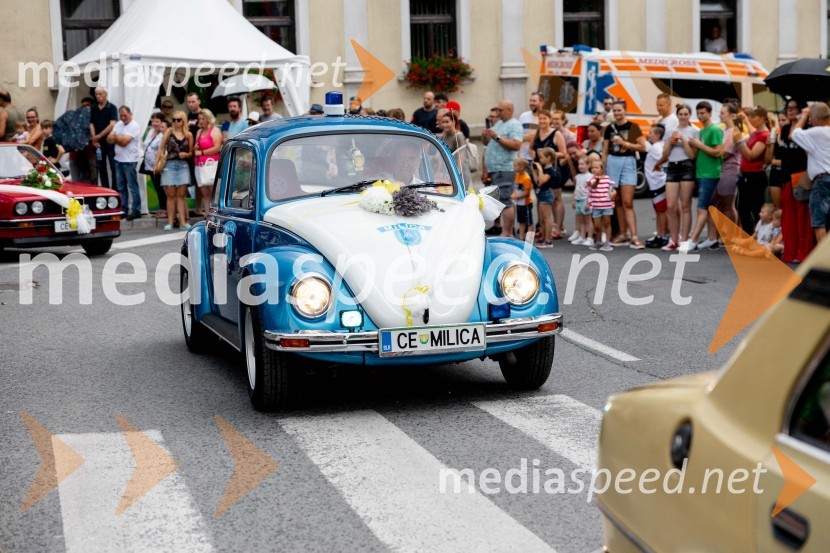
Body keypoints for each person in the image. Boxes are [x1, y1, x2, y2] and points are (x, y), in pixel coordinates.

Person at [602, 99, 646, 248]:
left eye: (619, 110)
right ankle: (622, 233)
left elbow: (642, 147)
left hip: (628, 161)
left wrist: (625, 143)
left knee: (628, 202)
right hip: (612, 162)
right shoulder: (609, 128)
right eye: (614, 110)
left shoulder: (633, 127)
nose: (617, 113)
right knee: (618, 201)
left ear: (625, 110)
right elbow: (605, 150)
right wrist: (603, 168)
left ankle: (634, 235)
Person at [654, 104, 698, 251]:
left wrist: (684, 140)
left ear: (690, 115)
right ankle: (674, 239)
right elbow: (665, 154)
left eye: (686, 114)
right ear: (677, 115)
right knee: (671, 206)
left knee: (685, 206)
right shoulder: (670, 130)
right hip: (672, 166)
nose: (683, 117)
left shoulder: (694, 130)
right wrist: (671, 143)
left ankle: (684, 240)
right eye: (681, 114)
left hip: (687, 166)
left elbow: (692, 155)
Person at [777, 99, 814, 262]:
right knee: (788, 217)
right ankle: (790, 252)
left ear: (801, 110)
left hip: (802, 177)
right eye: (788, 108)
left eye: (794, 108)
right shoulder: (784, 129)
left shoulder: (807, 129)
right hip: (786, 177)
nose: (790, 111)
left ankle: (803, 252)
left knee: (803, 217)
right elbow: (781, 154)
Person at [684, 101, 723, 251]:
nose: (700, 116)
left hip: (710, 173)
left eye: (703, 113)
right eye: (698, 113)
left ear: (710, 113)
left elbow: (718, 152)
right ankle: (712, 239)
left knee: (701, 208)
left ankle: (693, 240)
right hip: (701, 172)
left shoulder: (715, 129)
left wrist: (700, 145)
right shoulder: (702, 131)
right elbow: (696, 153)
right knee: (709, 207)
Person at [482, 99, 523, 238]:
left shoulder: (514, 125)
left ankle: (507, 232)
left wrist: (497, 137)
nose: (498, 112)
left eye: (501, 110)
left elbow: (516, 145)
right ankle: (502, 229)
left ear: (510, 110)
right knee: (498, 201)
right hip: (494, 169)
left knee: (506, 201)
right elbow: (487, 143)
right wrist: (486, 136)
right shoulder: (499, 123)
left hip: (505, 167)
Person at [792, 102, 830, 242]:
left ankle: (825, 255)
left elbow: (795, 134)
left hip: (822, 181)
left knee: (819, 222)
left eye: (811, 118)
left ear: (816, 119)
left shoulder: (817, 132)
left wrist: (803, 116)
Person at [734, 106, 770, 235]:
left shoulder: (764, 135)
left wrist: (740, 142)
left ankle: (755, 236)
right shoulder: (756, 133)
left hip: (755, 176)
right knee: (742, 208)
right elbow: (751, 129)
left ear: (761, 118)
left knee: (754, 209)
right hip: (746, 175)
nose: (750, 119)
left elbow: (751, 155)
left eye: (753, 117)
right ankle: (748, 235)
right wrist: (743, 120)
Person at [156, 110, 193, 230]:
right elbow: (161, 148)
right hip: (169, 164)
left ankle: (182, 222)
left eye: (178, 120)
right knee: (171, 195)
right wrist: (156, 164)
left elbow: (191, 152)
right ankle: (171, 222)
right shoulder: (168, 131)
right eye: (174, 120)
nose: (176, 122)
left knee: (181, 196)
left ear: (183, 121)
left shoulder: (188, 134)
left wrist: (186, 154)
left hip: (183, 165)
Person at [107, 105, 142, 220]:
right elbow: (108, 139)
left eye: (125, 115)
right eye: (121, 116)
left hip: (130, 160)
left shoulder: (134, 125)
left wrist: (116, 137)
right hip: (118, 159)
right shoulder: (119, 124)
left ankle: (136, 210)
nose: (123, 118)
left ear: (130, 114)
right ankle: (124, 209)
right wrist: (119, 138)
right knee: (121, 187)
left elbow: (124, 142)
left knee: (132, 186)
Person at [644, 124, 670, 248]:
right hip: (654, 183)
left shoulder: (656, 147)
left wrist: (658, 164)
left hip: (658, 183)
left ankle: (663, 236)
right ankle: (659, 234)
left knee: (661, 211)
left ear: (657, 135)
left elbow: (665, 158)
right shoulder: (657, 146)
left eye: (650, 132)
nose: (648, 134)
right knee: (658, 211)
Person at [717, 102, 741, 227]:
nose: (720, 115)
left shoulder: (734, 131)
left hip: (730, 171)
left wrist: (713, 153)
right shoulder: (723, 130)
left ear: (732, 115)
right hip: (720, 170)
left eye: (722, 113)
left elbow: (725, 153)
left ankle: (731, 233)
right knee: (720, 204)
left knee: (728, 204)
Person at [194, 109, 223, 216]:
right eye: (199, 119)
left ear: (208, 119)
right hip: (199, 165)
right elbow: (196, 147)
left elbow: (217, 147)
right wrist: (196, 148)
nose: (201, 121)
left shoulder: (215, 131)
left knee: (213, 191)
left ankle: (215, 214)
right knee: (204, 192)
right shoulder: (199, 132)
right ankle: (207, 214)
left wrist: (202, 152)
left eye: (203, 119)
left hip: (212, 164)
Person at [89, 87, 119, 189]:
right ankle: (105, 189)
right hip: (98, 143)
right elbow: (91, 124)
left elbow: (112, 124)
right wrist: (94, 138)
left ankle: (114, 190)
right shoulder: (93, 108)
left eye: (100, 94)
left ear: (105, 95)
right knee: (101, 167)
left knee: (113, 167)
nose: (98, 96)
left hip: (109, 142)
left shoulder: (112, 107)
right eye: (96, 94)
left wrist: (98, 136)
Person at [587, 158, 616, 252]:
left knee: (607, 223)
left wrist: (614, 193)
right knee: (597, 226)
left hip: (607, 205)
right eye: (592, 168)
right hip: (596, 206)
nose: (594, 169)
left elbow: (612, 189)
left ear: (602, 169)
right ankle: (599, 241)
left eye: (596, 167)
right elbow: (593, 186)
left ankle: (607, 242)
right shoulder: (591, 179)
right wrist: (597, 181)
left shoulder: (608, 179)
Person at [532, 147, 558, 247]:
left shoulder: (550, 170)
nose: (540, 160)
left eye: (542, 157)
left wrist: (539, 169)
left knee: (547, 218)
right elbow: (538, 182)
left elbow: (542, 181)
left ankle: (548, 240)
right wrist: (534, 171)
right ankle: (543, 237)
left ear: (548, 158)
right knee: (542, 219)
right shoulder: (545, 169)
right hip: (542, 194)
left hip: (547, 194)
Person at [438, 109, 470, 187]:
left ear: (453, 122)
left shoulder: (458, 136)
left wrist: (458, 174)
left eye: (447, 122)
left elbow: (461, 156)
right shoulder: (444, 136)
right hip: (448, 172)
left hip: (459, 173)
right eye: (443, 122)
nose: (445, 124)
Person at [143, 113, 166, 214]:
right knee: (157, 187)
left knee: (162, 188)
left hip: (159, 166)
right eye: (153, 121)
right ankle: (162, 208)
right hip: (149, 166)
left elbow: (161, 150)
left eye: (157, 121)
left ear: (162, 122)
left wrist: (157, 164)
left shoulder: (163, 134)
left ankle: (165, 210)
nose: (155, 123)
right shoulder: (150, 131)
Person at [571, 155, 594, 246]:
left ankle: (590, 238)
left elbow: (591, 190)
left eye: (582, 164)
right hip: (578, 200)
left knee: (588, 220)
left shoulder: (590, 177)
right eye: (579, 164)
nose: (580, 166)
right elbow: (576, 189)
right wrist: (573, 200)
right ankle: (582, 236)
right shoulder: (577, 177)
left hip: (585, 200)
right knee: (581, 220)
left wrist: (589, 202)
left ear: (588, 165)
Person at [511, 157, 533, 240]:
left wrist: (516, 196)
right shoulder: (517, 175)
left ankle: (529, 240)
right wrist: (514, 194)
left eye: (515, 166)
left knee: (529, 222)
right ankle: (521, 237)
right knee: (521, 221)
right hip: (519, 203)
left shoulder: (526, 178)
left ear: (522, 167)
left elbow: (526, 192)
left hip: (526, 204)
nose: (514, 168)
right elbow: (515, 187)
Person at [519, 92, 542, 160]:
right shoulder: (523, 116)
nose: (531, 103)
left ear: (541, 102)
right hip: (523, 157)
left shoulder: (545, 118)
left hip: (539, 158)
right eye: (530, 101)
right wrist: (524, 138)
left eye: (534, 101)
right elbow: (516, 135)